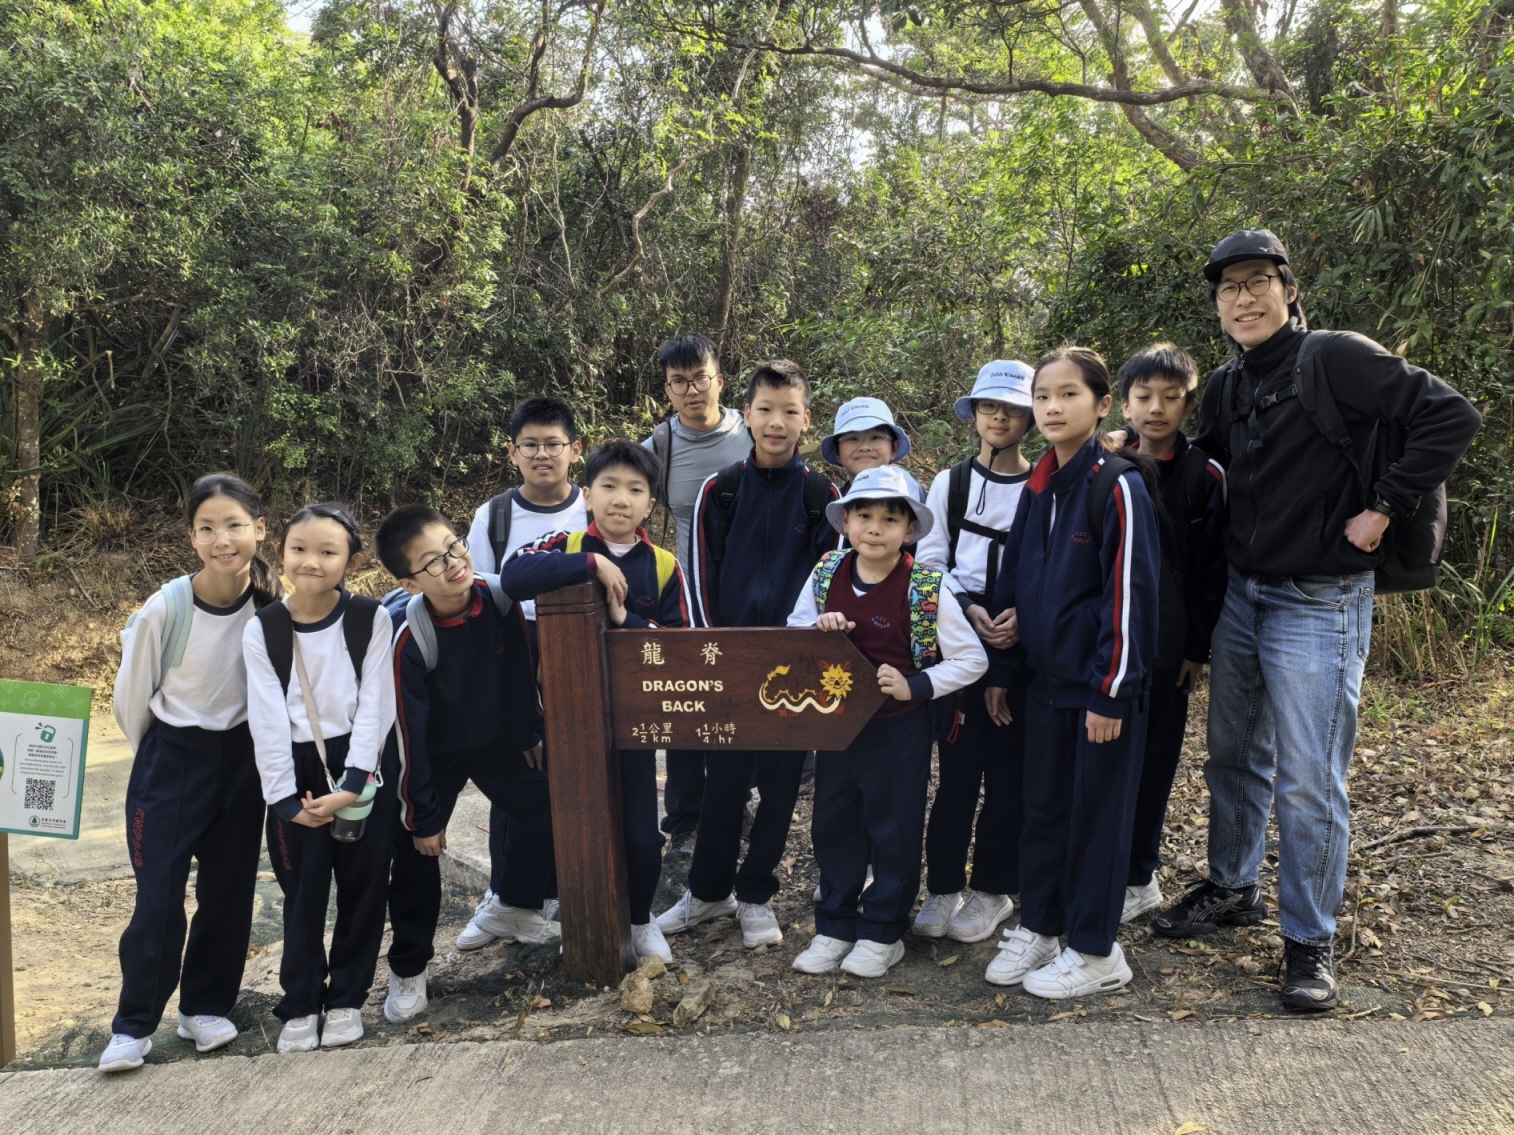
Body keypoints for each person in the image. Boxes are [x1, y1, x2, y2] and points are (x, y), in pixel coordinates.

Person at [1159, 229, 1481, 1012]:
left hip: (1321, 598)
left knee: (1309, 779)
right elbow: (1208, 462)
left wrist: (1385, 505)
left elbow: (1451, 414)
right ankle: (1233, 886)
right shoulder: (1229, 384)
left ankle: (1309, 938)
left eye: (1257, 282)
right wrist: (1140, 448)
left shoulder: (1335, 357)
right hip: (1243, 595)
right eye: (1229, 288)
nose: (1243, 298)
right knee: (1234, 757)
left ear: (1289, 289)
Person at [983, 347, 1161, 998]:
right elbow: (1015, 580)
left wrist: (1111, 693)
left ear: (1102, 404)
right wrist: (1005, 666)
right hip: (1045, 683)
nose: (1052, 408)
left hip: (1098, 689)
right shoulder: (1039, 486)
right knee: (1044, 809)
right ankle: (1042, 924)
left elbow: (1130, 596)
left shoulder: (1117, 485)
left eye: (1068, 395)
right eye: (1042, 397)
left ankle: (1096, 950)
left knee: (1096, 818)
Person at [100, 474, 281, 1073]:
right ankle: (132, 1026)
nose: (221, 540)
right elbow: (131, 698)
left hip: (242, 762)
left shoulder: (271, 606)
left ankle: (204, 1007)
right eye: (207, 529)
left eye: (234, 525)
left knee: (228, 893)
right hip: (172, 760)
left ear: (259, 529)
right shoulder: (167, 608)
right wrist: (162, 757)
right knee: (157, 898)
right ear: (192, 537)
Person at [659, 359, 839, 949]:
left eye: (790, 411)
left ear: (806, 420)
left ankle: (757, 895)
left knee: (782, 786)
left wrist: (804, 656)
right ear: (748, 415)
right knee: (724, 782)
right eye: (765, 409)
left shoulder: (821, 496)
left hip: (795, 669)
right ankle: (708, 892)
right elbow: (699, 577)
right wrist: (721, 654)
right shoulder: (721, 489)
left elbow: (828, 584)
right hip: (730, 664)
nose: (776, 422)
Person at [786, 466, 988, 977]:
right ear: (846, 522)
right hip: (837, 724)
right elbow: (794, 627)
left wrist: (916, 685)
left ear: (910, 529)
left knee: (893, 825)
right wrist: (819, 627)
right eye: (864, 516)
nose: (874, 529)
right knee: (834, 821)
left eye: (890, 519)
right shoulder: (827, 571)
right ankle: (835, 924)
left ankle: (883, 931)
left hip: (899, 728)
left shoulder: (925, 586)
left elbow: (972, 659)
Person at [375, 505, 571, 1025]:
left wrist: (529, 733)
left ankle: (515, 907)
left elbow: (519, 672)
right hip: (430, 752)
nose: (453, 563)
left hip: (492, 738)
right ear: (409, 582)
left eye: (454, 546)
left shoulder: (498, 596)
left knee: (542, 803)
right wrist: (422, 815)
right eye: (433, 562)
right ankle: (409, 968)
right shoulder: (406, 633)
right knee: (415, 853)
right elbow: (405, 732)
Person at [500, 440, 689, 962]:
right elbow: (512, 577)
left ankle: (640, 919)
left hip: (633, 722)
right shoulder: (563, 544)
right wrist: (590, 562)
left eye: (635, 490)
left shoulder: (664, 566)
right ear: (587, 494)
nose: (620, 499)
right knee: (576, 825)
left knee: (641, 834)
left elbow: (681, 648)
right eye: (608, 486)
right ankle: (585, 922)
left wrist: (629, 621)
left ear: (650, 504)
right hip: (566, 718)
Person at [243, 503, 397, 1053]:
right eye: (299, 549)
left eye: (328, 552)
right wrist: (285, 800)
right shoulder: (263, 628)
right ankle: (302, 1003)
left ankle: (348, 999)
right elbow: (265, 718)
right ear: (280, 553)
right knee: (303, 894)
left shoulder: (370, 618)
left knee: (363, 888)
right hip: (296, 770)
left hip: (360, 764)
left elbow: (377, 704)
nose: (311, 561)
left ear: (352, 562)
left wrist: (353, 783)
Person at [910, 361, 1034, 944]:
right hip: (958, 643)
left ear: (1030, 416)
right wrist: (965, 608)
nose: (999, 418)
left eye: (1011, 408)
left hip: (1022, 644)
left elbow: (1049, 565)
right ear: (975, 414)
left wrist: (1021, 619)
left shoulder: (1043, 486)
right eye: (989, 407)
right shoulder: (951, 482)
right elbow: (931, 561)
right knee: (957, 773)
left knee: (1008, 775)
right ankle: (943, 887)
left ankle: (993, 889)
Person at [1108, 344, 1228, 923]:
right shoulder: (1107, 463)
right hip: (1110, 643)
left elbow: (1212, 570)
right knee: (1107, 756)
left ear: (1188, 403)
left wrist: (1195, 648)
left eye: (1171, 398)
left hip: (1168, 646)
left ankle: (1139, 875)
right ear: (1124, 404)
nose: (1156, 409)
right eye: (1144, 397)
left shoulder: (1205, 474)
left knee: (1156, 758)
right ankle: (1104, 861)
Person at [460, 396, 585, 949]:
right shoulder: (494, 515)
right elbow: (479, 593)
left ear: (574, 450)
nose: (542, 454)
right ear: (512, 453)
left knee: (574, 767)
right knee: (519, 769)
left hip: (579, 647)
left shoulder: (593, 508)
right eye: (530, 445)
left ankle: (556, 889)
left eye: (553, 444)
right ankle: (506, 897)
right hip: (515, 646)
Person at [643, 335, 753, 864]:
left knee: (739, 698)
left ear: (719, 381)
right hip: (687, 595)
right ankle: (684, 819)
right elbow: (623, 499)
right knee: (685, 702)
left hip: (749, 593)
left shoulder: (752, 431)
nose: (692, 391)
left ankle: (736, 802)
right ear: (667, 390)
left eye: (700, 378)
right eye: (679, 382)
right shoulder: (660, 445)